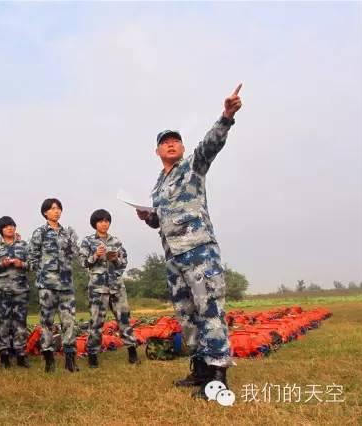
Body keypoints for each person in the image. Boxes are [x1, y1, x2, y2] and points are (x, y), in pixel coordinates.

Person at [136, 84, 243, 398]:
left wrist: (226, 116)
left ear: (182, 148)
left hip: (198, 251)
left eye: (175, 141)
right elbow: (162, 217)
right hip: (174, 257)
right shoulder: (159, 184)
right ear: (157, 152)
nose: (170, 144)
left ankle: (218, 375)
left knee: (209, 310)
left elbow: (211, 145)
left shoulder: (192, 167)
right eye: (164, 142)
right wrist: (150, 217)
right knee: (187, 315)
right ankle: (200, 370)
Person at [78, 209, 139, 368]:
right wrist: (96, 256)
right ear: (95, 224)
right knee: (96, 322)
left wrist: (116, 258)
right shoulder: (88, 241)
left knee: (124, 320)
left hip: (117, 287)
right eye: (100, 221)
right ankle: (92, 355)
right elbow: (83, 262)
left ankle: (132, 352)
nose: (104, 224)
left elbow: (123, 263)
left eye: (106, 221)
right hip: (98, 289)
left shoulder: (116, 241)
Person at [28, 198, 80, 373]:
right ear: (45, 213)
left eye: (58, 208)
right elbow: (32, 258)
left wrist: (74, 239)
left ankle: (70, 358)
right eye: (52, 209)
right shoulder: (40, 232)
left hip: (66, 284)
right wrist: (42, 272)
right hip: (47, 284)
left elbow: (75, 254)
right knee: (47, 322)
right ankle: (49, 358)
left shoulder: (67, 233)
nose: (56, 211)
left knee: (69, 321)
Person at [0, 216, 31, 368]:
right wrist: (1, 264)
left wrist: (22, 264)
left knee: (20, 322)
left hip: (21, 290)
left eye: (12, 225)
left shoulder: (24, 245)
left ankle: (21, 355)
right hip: (2, 291)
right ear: (1, 230)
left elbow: (33, 265)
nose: (10, 228)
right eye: (6, 226)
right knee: (3, 323)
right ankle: (4, 356)